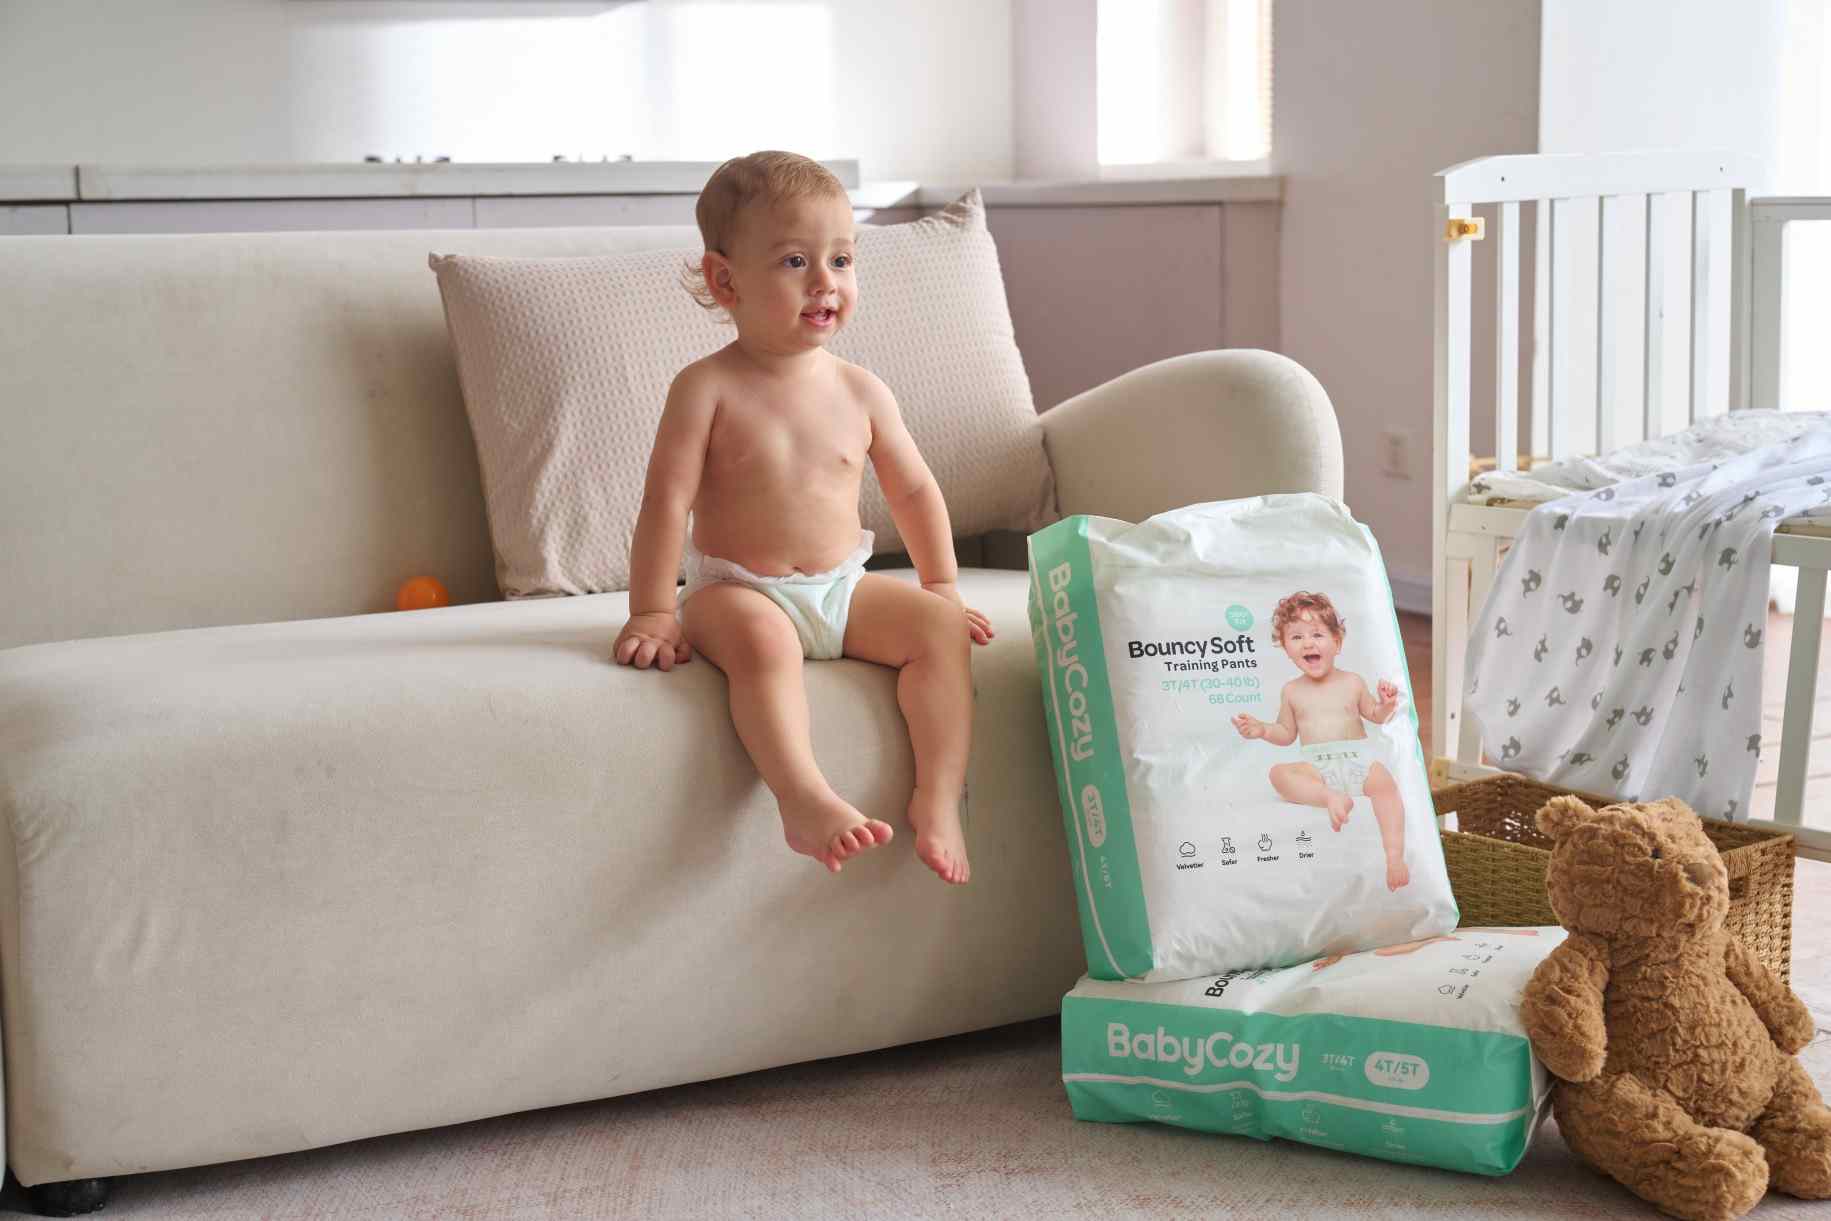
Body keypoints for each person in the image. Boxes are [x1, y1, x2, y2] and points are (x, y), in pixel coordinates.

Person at [612, 151, 990, 883]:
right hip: (737, 590)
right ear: (725, 281)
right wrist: (653, 611)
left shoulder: (863, 390)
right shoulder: (705, 388)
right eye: (795, 261)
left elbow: (913, 491)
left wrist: (941, 585)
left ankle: (939, 797)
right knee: (763, 644)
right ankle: (803, 798)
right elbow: (665, 503)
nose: (825, 282)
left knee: (940, 633)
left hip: (842, 588)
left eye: (841, 260)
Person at [1231, 591, 1411, 890]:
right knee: (1278, 774)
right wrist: (1262, 730)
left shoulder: (1353, 682)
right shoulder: (1291, 691)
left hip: (1359, 760)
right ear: (1286, 648)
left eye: (1317, 634)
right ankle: (1329, 797)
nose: (1308, 643)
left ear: (1337, 642)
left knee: (1387, 788)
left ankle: (1394, 857)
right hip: (1317, 767)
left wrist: (1386, 705)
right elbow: (1286, 733)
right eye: (1297, 637)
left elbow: (1375, 715)